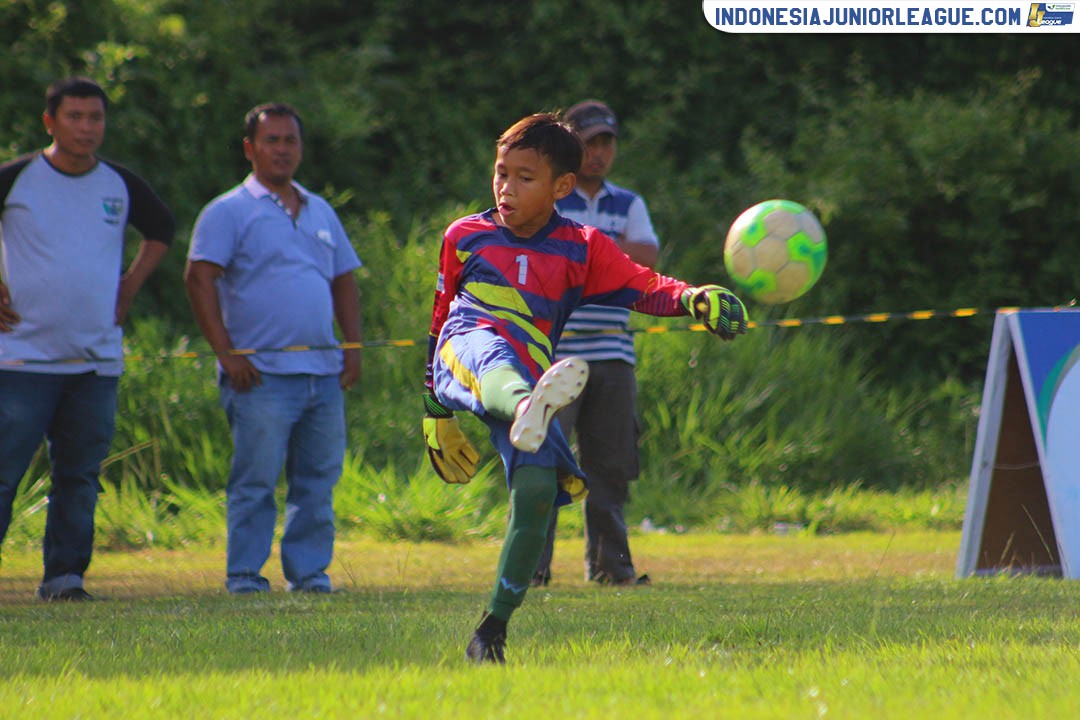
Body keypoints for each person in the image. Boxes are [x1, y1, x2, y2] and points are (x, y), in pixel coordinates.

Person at [422, 112, 747, 664]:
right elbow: (437, 320)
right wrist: (435, 410)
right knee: (494, 355)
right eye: (502, 173)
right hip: (467, 347)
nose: (506, 188)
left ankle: (492, 630)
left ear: (562, 187)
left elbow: (643, 285)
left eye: (525, 178)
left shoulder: (583, 246)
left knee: (533, 495)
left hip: (529, 377)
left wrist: (693, 298)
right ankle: (529, 406)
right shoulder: (464, 236)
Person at [0, 76, 175, 601]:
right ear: (50, 122)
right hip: (21, 361)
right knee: (4, 476)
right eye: (74, 117)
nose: (86, 127)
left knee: (78, 477)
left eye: (95, 118)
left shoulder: (119, 184)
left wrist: (129, 285)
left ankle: (64, 578)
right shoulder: (18, 179)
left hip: (95, 363)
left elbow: (162, 229)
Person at [185, 102, 362, 595]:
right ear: (250, 148)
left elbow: (344, 280)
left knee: (317, 484)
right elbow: (199, 278)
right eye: (272, 140)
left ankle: (309, 575)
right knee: (256, 482)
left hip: (323, 374)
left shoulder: (320, 210)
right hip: (259, 377)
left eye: (290, 141)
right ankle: (244, 576)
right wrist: (227, 353)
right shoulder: (228, 211)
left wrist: (352, 347)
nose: (282, 150)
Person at [534, 100, 659, 588]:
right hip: (555, 354)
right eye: (590, 143)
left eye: (607, 143)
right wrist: (610, 257)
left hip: (614, 354)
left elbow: (645, 258)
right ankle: (531, 568)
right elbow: (545, 256)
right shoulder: (549, 197)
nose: (599, 153)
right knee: (543, 464)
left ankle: (611, 569)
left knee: (611, 467)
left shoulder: (627, 202)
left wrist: (582, 254)